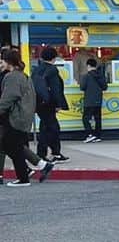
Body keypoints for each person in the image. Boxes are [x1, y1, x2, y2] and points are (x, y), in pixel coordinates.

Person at [0, 48, 54, 185]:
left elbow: (8, 98)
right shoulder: (23, 75)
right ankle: (40, 165)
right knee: (13, 145)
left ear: (8, 62)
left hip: (16, 117)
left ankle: (25, 177)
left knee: (10, 145)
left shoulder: (11, 77)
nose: (1, 63)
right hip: (23, 117)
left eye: (2, 60)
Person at [31, 46, 69, 162]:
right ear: (54, 57)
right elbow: (55, 89)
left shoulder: (36, 69)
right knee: (53, 128)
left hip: (39, 103)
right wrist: (58, 104)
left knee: (46, 126)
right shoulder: (52, 70)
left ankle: (54, 152)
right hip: (49, 103)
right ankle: (45, 154)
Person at [79, 57, 108, 142]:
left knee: (86, 118)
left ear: (88, 65)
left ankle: (89, 134)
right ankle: (97, 136)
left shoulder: (86, 76)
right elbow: (105, 87)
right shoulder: (101, 75)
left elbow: (82, 87)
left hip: (89, 100)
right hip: (98, 100)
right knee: (97, 118)